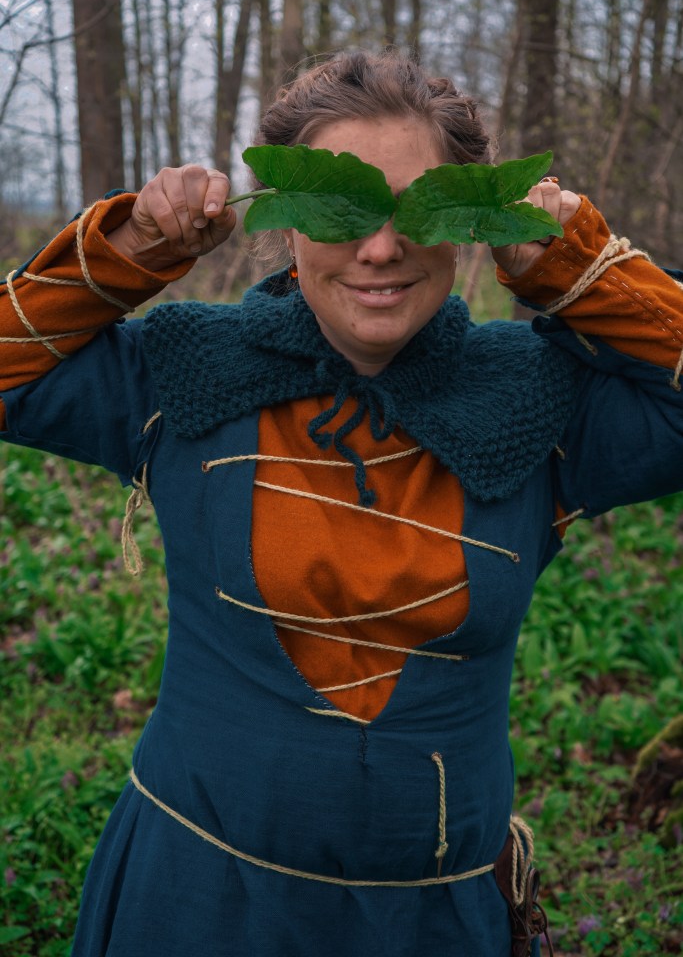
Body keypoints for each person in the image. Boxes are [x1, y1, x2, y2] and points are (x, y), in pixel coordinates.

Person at [1, 50, 682, 957]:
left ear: (473, 220)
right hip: (195, 901)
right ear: (285, 222)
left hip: (434, 921)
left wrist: (578, 266)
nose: (380, 248)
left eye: (418, 208)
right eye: (343, 210)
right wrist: (136, 247)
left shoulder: (534, 398)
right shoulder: (186, 372)